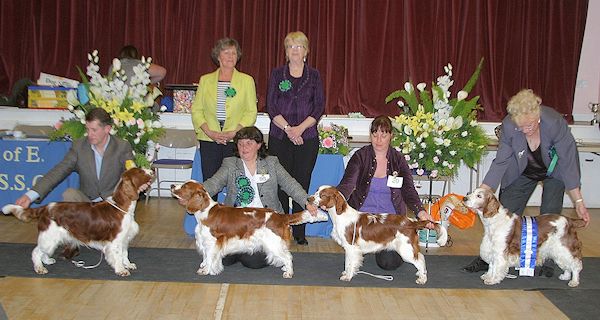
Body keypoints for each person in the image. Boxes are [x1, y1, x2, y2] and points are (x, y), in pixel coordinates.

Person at [462, 89, 591, 274]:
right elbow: (501, 162)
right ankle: (490, 258)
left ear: (538, 116)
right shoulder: (509, 125)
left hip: (555, 172)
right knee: (503, 217)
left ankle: (546, 260)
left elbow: (568, 163)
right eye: (520, 126)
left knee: (550, 215)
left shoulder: (554, 123)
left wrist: (578, 201)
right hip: (522, 172)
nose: (525, 130)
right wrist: (482, 191)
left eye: (529, 125)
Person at [14, 107, 134, 258]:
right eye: (87, 129)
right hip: (87, 203)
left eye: (94, 130)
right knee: (69, 193)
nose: (89, 134)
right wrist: (31, 195)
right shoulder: (79, 147)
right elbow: (58, 171)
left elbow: (131, 173)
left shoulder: (122, 146)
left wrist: (140, 183)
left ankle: (113, 242)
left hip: (111, 205)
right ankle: (72, 242)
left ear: (107, 129)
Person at [201, 126, 317, 269]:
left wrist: (306, 201)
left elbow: (290, 184)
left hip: (264, 225)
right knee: (224, 260)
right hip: (235, 224)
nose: (244, 148)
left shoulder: (271, 163)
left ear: (259, 145)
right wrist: (194, 192)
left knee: (253, 262)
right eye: (240, 144)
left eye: (249, 143)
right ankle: (238, 248)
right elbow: (214, 183)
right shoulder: (230, 164)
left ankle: (247, 250)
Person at [337, 116, 433, 271]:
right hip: (362, 220)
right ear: (370, 135)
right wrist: (336, 200)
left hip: (390, 222)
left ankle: (375, 248)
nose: (379, 140)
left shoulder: (398, 159)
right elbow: (347, 185)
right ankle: (366, 246)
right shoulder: (360, 156)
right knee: (352, 244)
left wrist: (421, 212)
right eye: (375, 135)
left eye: (384, 135)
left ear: (391, 136)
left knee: (389, 263)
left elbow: (408, 189)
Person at [266, 31, 324, 245]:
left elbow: (318, 108)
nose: (295, 51)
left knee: (301, 183)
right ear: (286, 52)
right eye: (291, 47)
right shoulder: (276, 74)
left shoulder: (315, 76)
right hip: (280, 137)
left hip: (307, 137)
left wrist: (299, 129)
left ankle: (300, 230)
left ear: (306, 52)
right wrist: (290, 129)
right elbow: (271, 107)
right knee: (281, 184)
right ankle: (282, 228)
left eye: (299, 47)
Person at [191, 38, 258, 200]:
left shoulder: (247, 80)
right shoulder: (205, 80)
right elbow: (197, 110)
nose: (230, 56)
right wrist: (210, 132)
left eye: (234, 53)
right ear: (218, 56)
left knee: (236, 183)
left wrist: (235, 132)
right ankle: (210, 222)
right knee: (211, 184)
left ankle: (233, 221)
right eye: (226, 52)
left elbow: (251, 112)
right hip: (209, 139)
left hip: (236, 141)